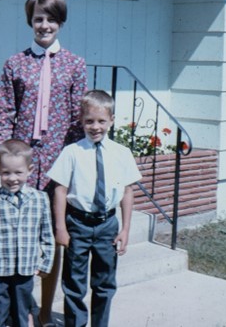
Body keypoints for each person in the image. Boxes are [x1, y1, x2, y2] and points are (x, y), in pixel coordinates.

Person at [0, 0, 87, 326]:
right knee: (19, 236)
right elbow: (4, 111)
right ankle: (18, 311)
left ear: (60, 22)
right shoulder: (15, 64)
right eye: (38, 19)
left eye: (50, 19)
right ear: (30, 21)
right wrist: (4, 155)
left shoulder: (75, 64)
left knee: (51, 240)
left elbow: (79, 117)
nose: (44, 25)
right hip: (22, 163)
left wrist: (76, 164)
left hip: (57, 164)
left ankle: (44, 313)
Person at [48, 90, 142, 327]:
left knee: (105, 283)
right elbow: (60, 190)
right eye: (89, 121)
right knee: (74, 284)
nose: (95, 127)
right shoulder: (72, 152)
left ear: (111, 120)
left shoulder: (122, 154)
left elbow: (128, 192)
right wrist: (61, 228)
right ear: (81, 121)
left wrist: (126, 230)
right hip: (77, 224)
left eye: (101, 121)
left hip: (107, 225)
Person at [0, 139, 55, 327]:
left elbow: (47, 235)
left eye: (18, 172)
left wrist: (46, 262)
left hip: (26, 269)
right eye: (6, 173)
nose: (12, 178)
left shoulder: (40, 198)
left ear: (30, 170)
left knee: (22, 314)